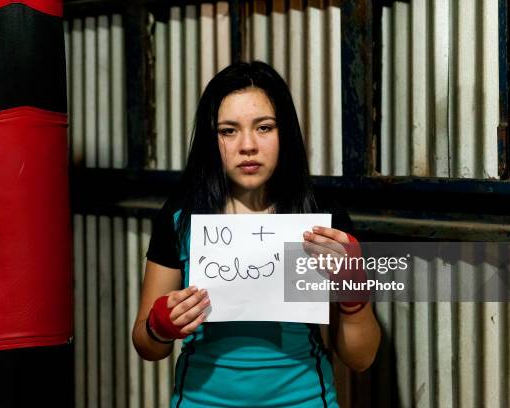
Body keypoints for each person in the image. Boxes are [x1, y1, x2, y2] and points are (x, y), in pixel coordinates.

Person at [132, 61, 381, 407]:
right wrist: (161, 324)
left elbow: (361, 358)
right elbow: (146, 344)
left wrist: (354, 293)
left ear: (285, 134)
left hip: (304, 400)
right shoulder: (181, 218)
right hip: (201, 401)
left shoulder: (322, 220)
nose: (247, 145)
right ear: (212, 138)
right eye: (228, 131)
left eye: (264, 128)